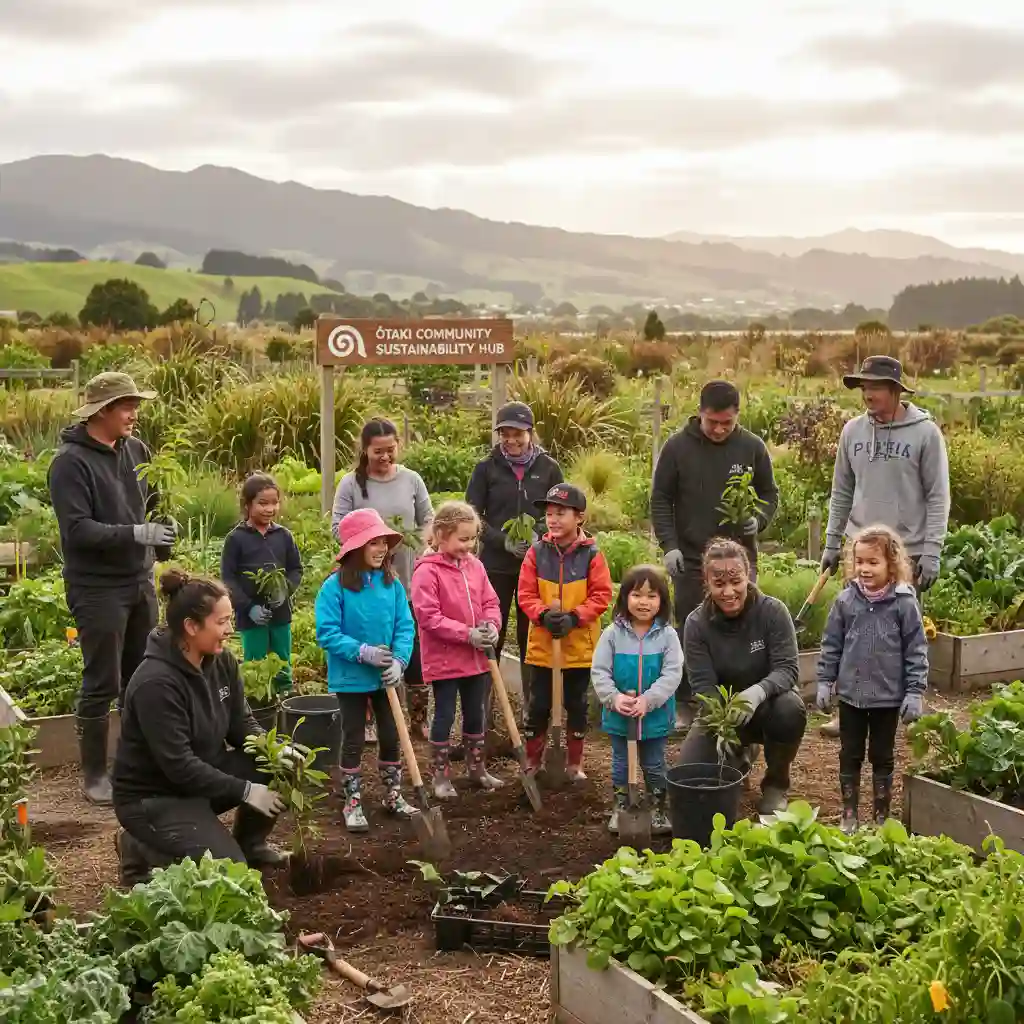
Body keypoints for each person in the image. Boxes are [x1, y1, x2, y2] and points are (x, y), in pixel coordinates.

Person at [111, 569, 288, 887]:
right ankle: (139, 846)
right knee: (231, 876)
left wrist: (273, 748)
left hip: (199, 780)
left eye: (230, 620)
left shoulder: (221, 662)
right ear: (191, 627)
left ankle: (250, 845)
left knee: (275, 763)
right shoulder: (156, 684)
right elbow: (179, 766)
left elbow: (240, 723)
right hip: (156, 798)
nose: (230, 630)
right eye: (222, 623)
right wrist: (247, 791)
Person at [48, 371, 176, 805]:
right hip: (97, 588)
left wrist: (163, 532)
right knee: (103, 679)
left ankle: (137, 763)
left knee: (142, 675)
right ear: (102, 410)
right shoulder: (70, 463)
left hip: (138, 582)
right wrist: (137, 534)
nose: (134, 414)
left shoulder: (137, 450)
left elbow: (154, 502)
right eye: (127, 406)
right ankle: (95, 775)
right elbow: (78, 530)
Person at [818, 355, 949, 737]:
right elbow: (841, 490)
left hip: (906, 550)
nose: (867, 394)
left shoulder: (925, 434)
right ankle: (848, 712)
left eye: (874, 386)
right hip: (860, 549)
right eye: (863, 386)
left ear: (895, 390)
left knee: (903, 636)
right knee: (854, 635)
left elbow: (938, 496)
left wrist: (934, 550)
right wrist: (831, 541)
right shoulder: (852, 432)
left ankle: (907, 707)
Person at [651, 380, 778, 728]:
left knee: (743, 626)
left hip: (740, 559)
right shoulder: (677, 448)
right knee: (689, 628)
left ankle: (743, 700)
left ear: (737, 415)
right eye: (713, 422)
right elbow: (661, 498)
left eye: (727, 422)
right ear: (700, 413)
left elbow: (769, 492)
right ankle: (686, 702)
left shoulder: (751, 447)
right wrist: (669, 545)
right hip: (691, 559)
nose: (720, 429)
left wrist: (760, 517)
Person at [680, 538, 806, 815]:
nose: (728, 592)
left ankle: (775, 785)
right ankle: (739, 755)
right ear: (707, 582)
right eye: (719, 584)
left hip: (767, 707)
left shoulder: (772, 612)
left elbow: (788, 669)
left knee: (790, 708)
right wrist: (724, 722)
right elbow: (703, 685)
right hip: (721, 712)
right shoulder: (696, 624)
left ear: (747, 575)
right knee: (689, 774)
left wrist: (757, 692)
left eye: (735, 581)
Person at [816, 525, 928, 832]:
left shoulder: (904, 604)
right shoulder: (845, 601)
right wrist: (825, 681)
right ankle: (849, 813)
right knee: (850, 754)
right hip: (851, 696)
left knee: (882, 756)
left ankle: (881, 816)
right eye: (860, 562)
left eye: (873, 562)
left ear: (891, 564)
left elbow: (916, 651)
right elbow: (831, 645)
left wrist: (915, 691)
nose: (865, 569)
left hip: (888, 698)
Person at [315, 507, 417, 833]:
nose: (381, 548)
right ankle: (353, 800)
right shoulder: (334, 588)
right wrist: (363, 652)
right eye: (373, 542)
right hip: (351, 678)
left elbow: (405, 626)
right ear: (355, 548)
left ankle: (392, 794)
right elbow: (327, 633)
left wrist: (400, 661)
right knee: (354, 736)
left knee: (391, 734)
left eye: (383, 542)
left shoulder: (392, 584)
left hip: (386, 676)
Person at [333, 418, 434, 741]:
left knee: (412, 645)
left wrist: (412, 541)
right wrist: (373, 543)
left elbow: (428, 519)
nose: (386, 457)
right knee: (371, 640)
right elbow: (338, 527)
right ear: (365, 450)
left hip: (406, 575)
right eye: (378, 451)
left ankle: (418, 719)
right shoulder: (351, 484)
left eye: (391, 450)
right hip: (365, 581)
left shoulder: (411, 480)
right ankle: (374, 720)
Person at [465, 402, 563, 707]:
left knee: (529, 636)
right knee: (490, 631)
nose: (511, 440)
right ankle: (484, 708)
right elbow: (472, 515)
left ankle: (530, 710)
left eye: (517, 434)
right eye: (505, 434)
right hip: (495, 566)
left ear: (530, 433)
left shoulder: (548, 468)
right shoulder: (486, 468)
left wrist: (539, 533)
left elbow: (559, 510)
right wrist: (502, 540)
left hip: (535, 565)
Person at [518, 483, 613, 780]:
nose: (553, 520)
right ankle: (533, 760)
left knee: (576, 704)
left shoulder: (592, 555)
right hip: (544, 646)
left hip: (579, 648)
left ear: (579, 517)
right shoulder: (536, 553)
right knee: (539, 705)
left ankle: (574, 763)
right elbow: (525, 594)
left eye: (561, 513)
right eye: (549, 514)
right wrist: (543, 614)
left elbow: (601, 595)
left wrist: (575, 617)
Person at [410, 501, 504, 797]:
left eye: (473, 538)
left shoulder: (475, 567)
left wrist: (491, 625)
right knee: (445, 714)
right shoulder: (427, 572)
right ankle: (440, 776)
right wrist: (467, 634)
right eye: (463, 539)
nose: (469, 545)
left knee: (476, 712)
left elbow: (490, 601)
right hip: (445, 659)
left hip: (476, 658)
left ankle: (477, 769)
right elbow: (429, 617)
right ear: (440, 535)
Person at [591, 565, 683, 835]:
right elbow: (599, 671)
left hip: (654, 716)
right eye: (637, 595)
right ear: (624, 598)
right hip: (620, 716)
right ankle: (623, 806)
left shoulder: (667, 636)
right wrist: (614, 698)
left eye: (652, 596)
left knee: (654, 763)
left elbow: (672, 673)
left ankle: (657, 807)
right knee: (621, 763)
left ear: (662, 601)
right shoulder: (612, 635)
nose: (644, 602)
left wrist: (649, 700)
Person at [221, 473, 302, 693]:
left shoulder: (283, 536)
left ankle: (284, 700)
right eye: (262, 503)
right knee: (254, 664)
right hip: (251, 616)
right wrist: (249, 607)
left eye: (274, 503)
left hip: (280, 612)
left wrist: (284, 590)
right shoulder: (236, 539)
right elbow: (228, 579)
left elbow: (296, 570)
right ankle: (257, 706)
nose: (269, 509)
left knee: (282, 661)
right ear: (247, 505)